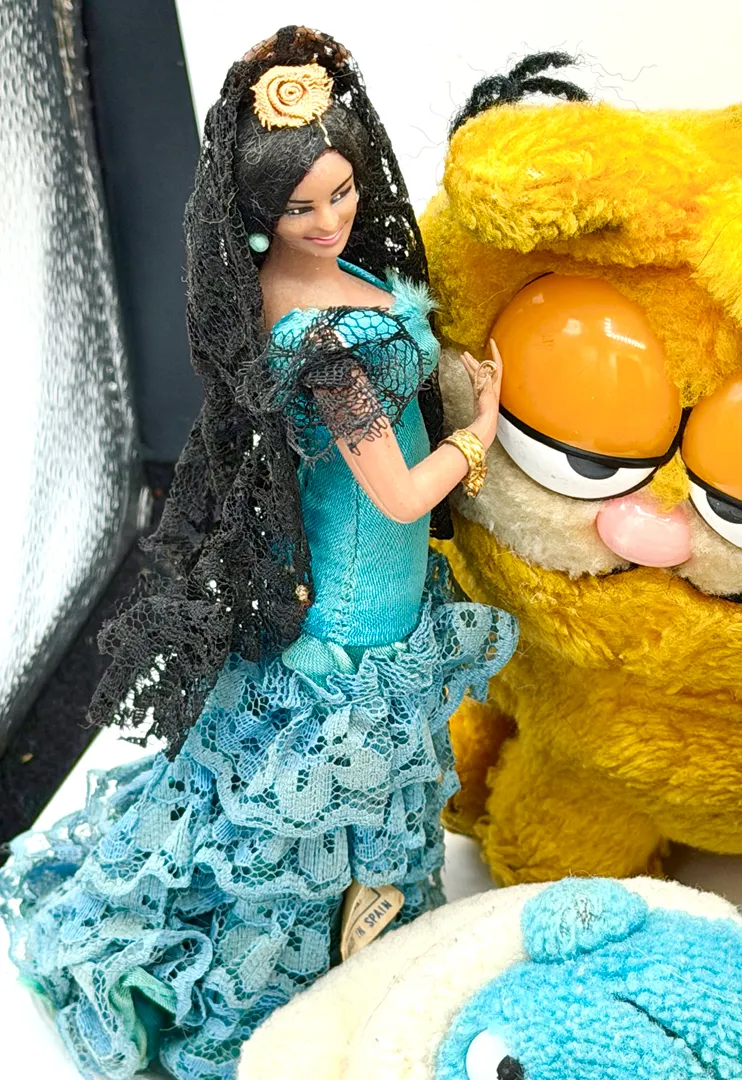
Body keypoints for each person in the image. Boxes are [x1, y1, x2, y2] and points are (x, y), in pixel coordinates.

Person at [0, 26, 516, 1080]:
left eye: (342, 194)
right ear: (259, 213)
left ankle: (366, 919)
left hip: (359, 562)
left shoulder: (300, 279)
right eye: (303, 208)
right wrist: (480, 436)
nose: (331, 221)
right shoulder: (320, 343)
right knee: (325, 788)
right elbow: (398, 488)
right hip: (358, 587)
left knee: (354, 785)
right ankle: (306, 961)